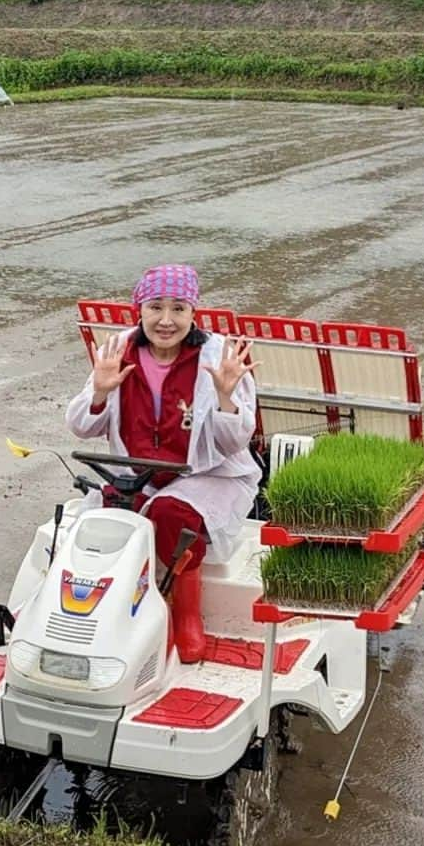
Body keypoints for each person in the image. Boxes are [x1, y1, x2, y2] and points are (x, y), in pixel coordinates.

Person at [66, 264, 260, 664]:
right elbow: (82, 427)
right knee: (110, 513)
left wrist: (225, 398)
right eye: (156, 307)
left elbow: (233, 441)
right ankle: (105, 614)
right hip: (139, 472)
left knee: (171, 513)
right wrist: (101, 392)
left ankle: (185, 616)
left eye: (178, 308)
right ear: (139, 309)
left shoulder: (218, 356)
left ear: (194, 313)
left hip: (210, 475)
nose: (166, 320)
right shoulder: (118, 350)